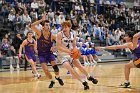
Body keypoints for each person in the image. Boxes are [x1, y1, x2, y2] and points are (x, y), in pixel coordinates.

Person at [56, 21, 98, 90]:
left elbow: (74, 45)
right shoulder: (59, 34)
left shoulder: (73, 34)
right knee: (71, 70)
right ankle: (84, 82)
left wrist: (77, 51)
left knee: (79, 66)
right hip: (62, 55)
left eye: (65, 27)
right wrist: (68, 51)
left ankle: (89, 76)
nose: (64, 29)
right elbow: (58, 46)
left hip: (71, 54)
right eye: (63, 27)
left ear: (69, 27)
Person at [31, 13, 64, 88]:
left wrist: (55, 47)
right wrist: (41, 20)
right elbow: (32, 26)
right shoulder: (39, 33)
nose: (48, 26)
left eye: (49, 25)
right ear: (42, 27)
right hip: (41, 54)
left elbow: (60, 42)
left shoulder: (52, 35)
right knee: (46, 70)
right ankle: (52, 80)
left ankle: (58, 77)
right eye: (46, 25)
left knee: (55, 67)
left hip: (49, 53)